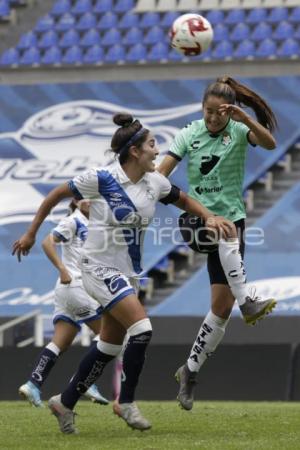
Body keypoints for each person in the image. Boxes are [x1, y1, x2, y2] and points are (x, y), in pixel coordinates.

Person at [12, 112, 235, 434]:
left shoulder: (154, 182)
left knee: (110, 346)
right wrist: (33, 233)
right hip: (96, 267)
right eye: (152, 145)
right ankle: (125, 402)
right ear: (134, 151)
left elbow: (184, 199)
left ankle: (65, 401)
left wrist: (210, 217)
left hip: (127, 272)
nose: (157, 151)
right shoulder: (101, 178)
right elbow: (54, 196)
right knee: (142, 329)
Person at [158, 76, 278, 411]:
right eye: (208, 112)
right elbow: (162, 172)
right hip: (196, 218)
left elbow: (269, 144)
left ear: (229, 112)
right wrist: (152, 185)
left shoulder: (238, 131)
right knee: (223, 229)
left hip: (232, 222)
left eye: (218, 114)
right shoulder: (189, 133)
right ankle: (248, 301)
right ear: (202, 109)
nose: (212, 119)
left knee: (220, 309)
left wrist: (246, 120)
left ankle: (189, 372)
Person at [18, 199, 109, 407]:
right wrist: (62, 268)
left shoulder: (93, 223)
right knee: (108, 336)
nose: (91, 202)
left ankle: (33, 383)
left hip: (66, 289)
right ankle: (84, 382)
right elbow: (47, 242)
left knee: (61, 341)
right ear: (76, 201)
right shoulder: (73, 221)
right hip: (76, 284)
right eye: (86, 197)